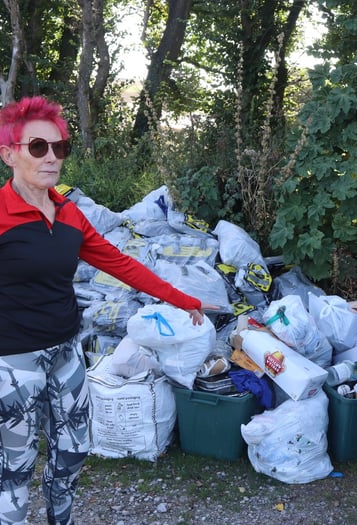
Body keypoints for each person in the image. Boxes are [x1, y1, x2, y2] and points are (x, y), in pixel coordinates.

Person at [0, 96, 218, 525]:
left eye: (59, 147)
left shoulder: (68, 214)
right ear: (9, 154)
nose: (51, 158)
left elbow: (120, 264)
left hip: (65, 352)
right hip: (13, 361)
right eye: (38, 147)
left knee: (73, 451)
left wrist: (183, 298)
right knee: (15, 466)